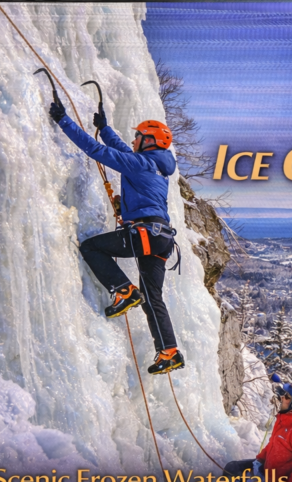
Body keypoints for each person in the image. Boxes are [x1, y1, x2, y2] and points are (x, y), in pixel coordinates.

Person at [48, 99, 184, 374]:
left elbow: (96, 150)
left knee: (91, 248)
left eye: (138, 136)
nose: (133, 140)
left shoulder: (141, 163)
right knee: (152, 296)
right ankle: (169, 352)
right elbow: (121, 150)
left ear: (149, 141)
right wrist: (106, 128)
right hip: (162, 239)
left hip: (146, 233)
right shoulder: (154, 164)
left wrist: (64, 120)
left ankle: (123, 290)